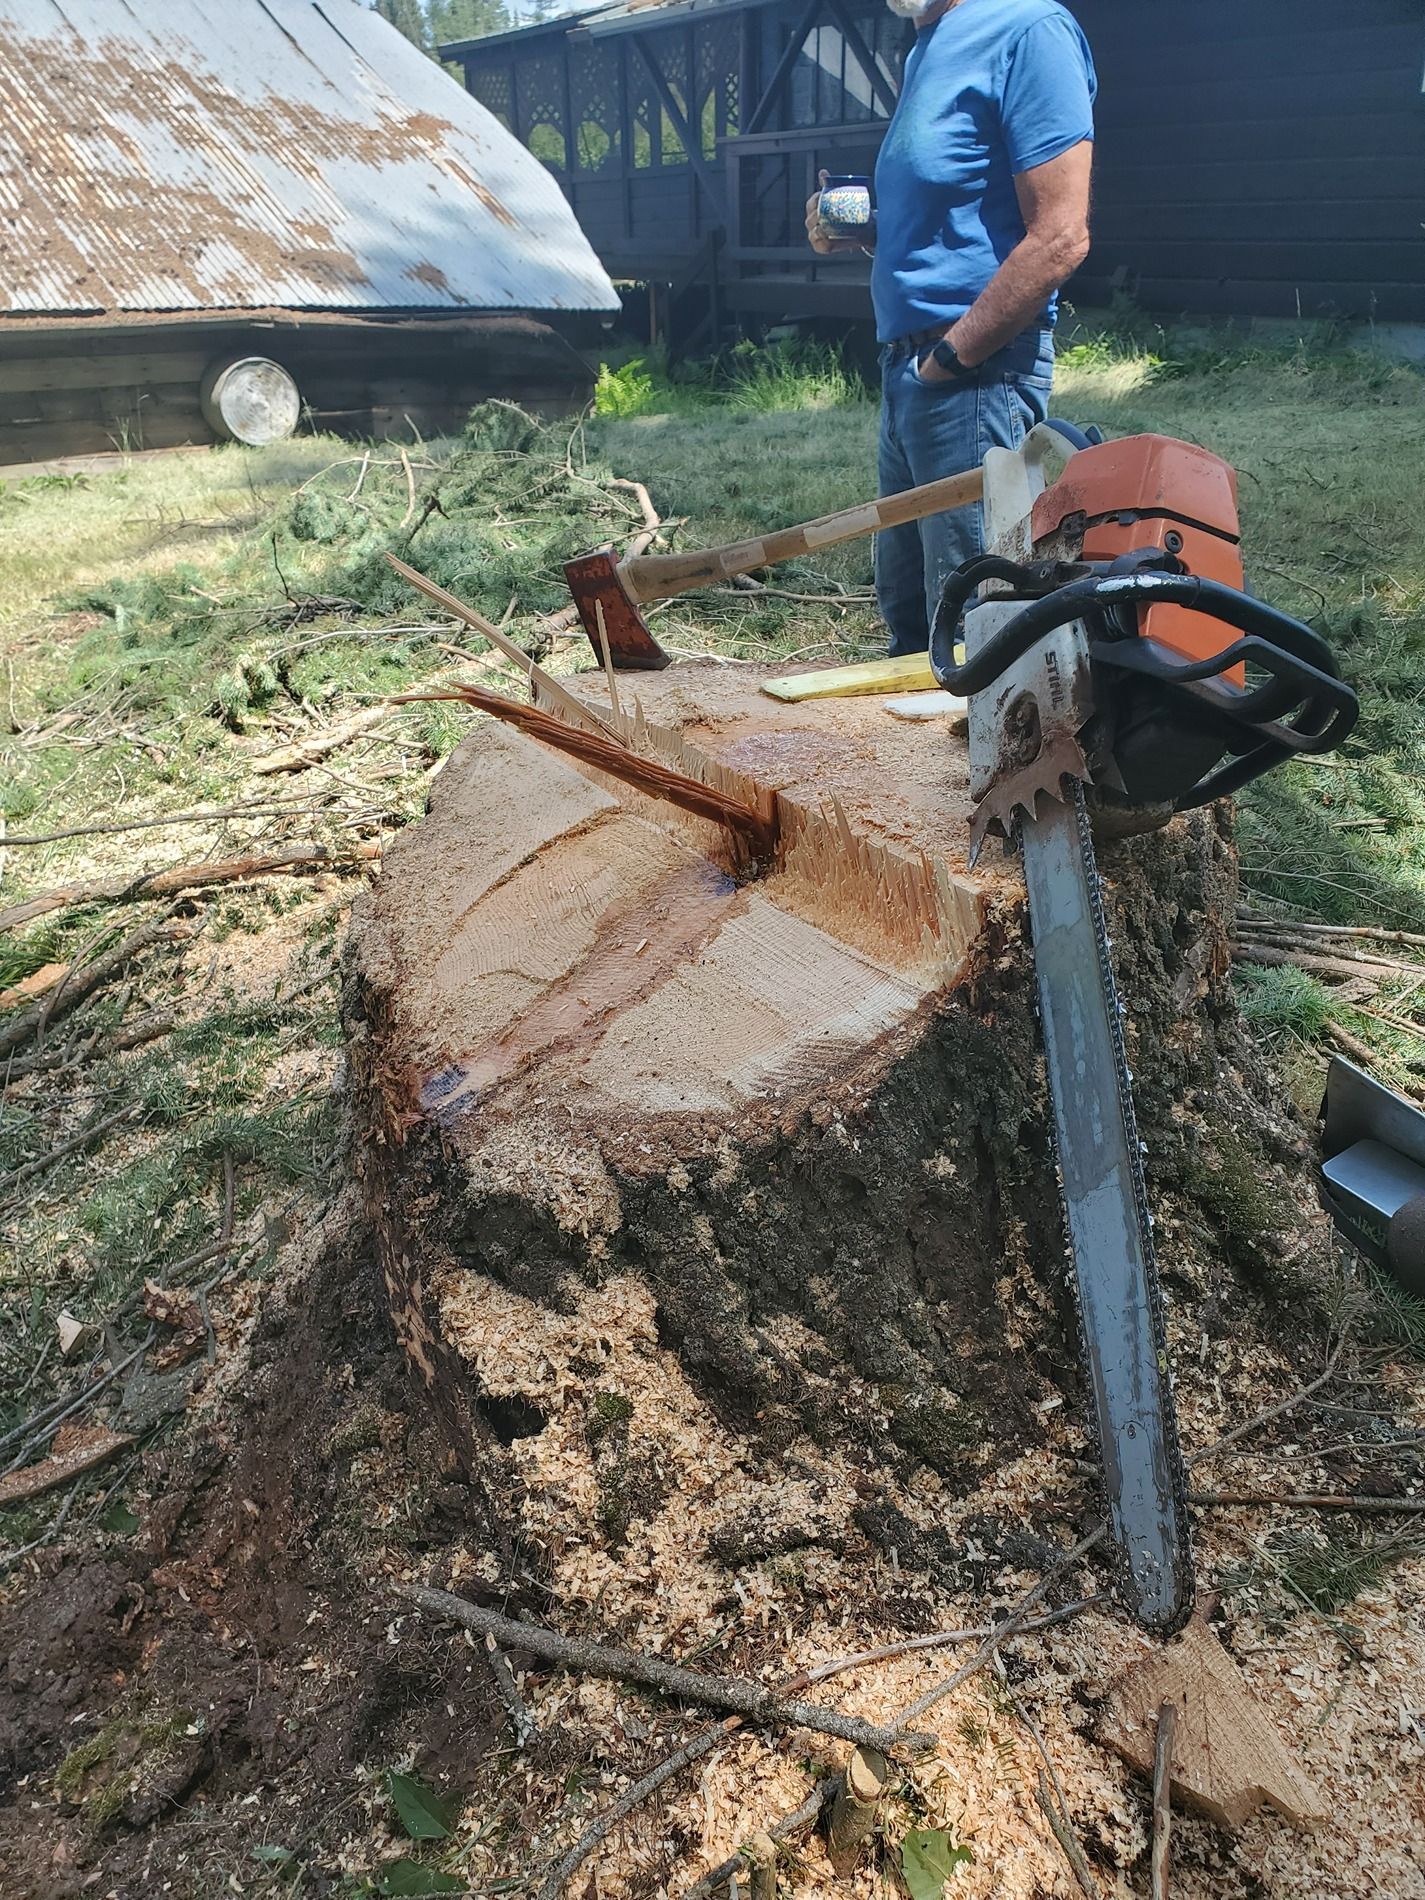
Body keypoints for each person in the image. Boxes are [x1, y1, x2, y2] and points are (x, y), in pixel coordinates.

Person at [806, 0, 1096, 656]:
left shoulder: (1028, 29)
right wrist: (867, 234)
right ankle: (914, 759)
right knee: (910, 617)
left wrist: (951, 359)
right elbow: (952, 228)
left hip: (975, 376)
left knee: (976, 623)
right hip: (909, 372)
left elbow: (1059, 235)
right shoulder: (926, 45)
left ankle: (995, 759)